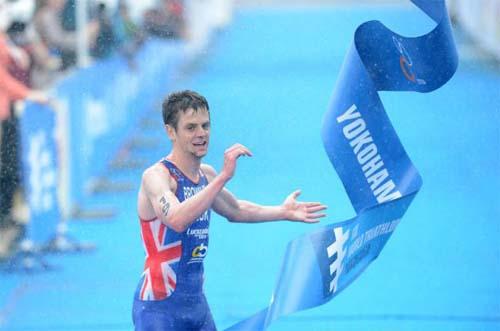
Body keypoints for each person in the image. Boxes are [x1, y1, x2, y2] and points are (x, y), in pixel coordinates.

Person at [132, 90, 327, 330]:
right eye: (190, 128)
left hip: (197, 306)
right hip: (159, 309)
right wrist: (223, 177)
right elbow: (176, 219)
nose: (201, 134)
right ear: (170, 131)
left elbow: (235, 209)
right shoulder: (157, 177)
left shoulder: (206, 175)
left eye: (205, 125)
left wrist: (282, 211)